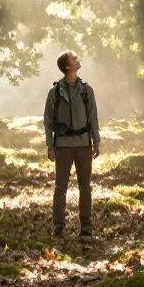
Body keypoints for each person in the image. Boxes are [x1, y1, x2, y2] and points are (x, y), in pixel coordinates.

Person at [44, 50, 100, 239]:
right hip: (63, 146)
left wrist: (96, 141)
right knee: (61, 188)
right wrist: (50, 145)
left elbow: (93, 116)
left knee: (85, 187)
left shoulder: (86, 90)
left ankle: (86, 227)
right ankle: (58, 228)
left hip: (84, 144)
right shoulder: (54, 92)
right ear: (68, 66)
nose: (78, 60)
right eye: (74, 58)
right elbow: (48, 121)